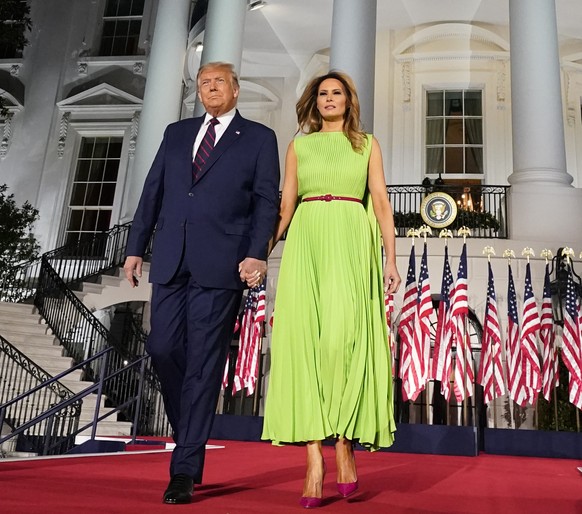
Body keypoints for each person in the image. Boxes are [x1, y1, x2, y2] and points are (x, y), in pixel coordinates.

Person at [123, 62, 280, 505]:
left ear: (235, 88)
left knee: (203, 366)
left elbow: (266, 200)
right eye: (204, 82)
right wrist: (136, 246)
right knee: (162, 348)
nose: (211, 88)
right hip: (172, 257)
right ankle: (189, 427)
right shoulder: (177, 132)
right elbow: (153, 190)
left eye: (219, 81)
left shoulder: (258, 138)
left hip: (222, 263)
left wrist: (257, 252)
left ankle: (185, 468)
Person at [261, 71, 401, 508]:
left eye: (336, 92)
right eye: (322, 93)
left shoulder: (367, 144)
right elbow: (285, 206)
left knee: (343, 341)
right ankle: (312, 461)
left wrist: (390, 258)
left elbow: (379, 200)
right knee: (304, 344)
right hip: (306, 240)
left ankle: (344, 443)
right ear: (314, 101)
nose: (329, 99)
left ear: (348, 100)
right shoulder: (298, 146)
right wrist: (259, 252)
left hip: (351, 238)